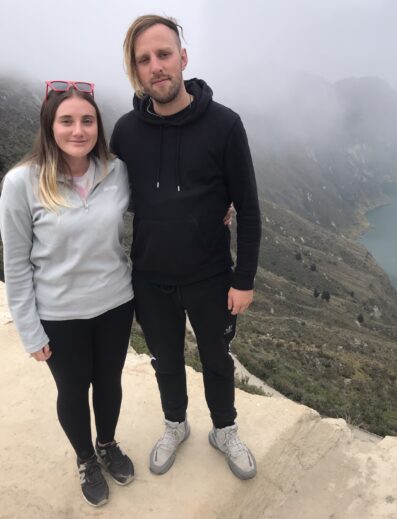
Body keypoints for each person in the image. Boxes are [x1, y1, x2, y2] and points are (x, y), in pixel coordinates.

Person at [110, 14, 262, 481]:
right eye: (144, 60)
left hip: (211, 275)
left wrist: (244, 281)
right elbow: (111, 202)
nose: (156, 66)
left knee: (217, 359)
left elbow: (249, 209)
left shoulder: (225, 124)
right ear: (136, 71)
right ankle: (175, 424)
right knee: (166, 360)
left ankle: (224, 429)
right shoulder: (125, 132)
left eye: (164, 54)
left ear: (183, 58)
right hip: (150, 276)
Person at [0, 81, 135, 507]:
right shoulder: (21, 183)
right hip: (59, 314)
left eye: (87, 120)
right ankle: (85, 458)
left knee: (109, 382)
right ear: (49, 125)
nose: (78, 130)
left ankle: (107, 443)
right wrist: (30, 331)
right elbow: (16, 263)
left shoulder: (116, 172)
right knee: (73, 390)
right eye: (67, 121)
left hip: (115, 303)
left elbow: (160, 206)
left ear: (98, 126)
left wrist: (218, 208)